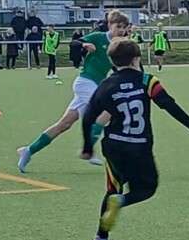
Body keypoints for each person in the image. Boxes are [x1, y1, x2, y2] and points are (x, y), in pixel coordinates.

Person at [80, 38, 189, 240]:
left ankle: (100, 238)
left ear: (113, 61)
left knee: (113, 188)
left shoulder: (106, 85)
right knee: (147, 189)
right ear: (136, 59)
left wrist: (87, 146)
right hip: (139, 147)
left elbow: (88, 117)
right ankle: (121, 202)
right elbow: (169, 106)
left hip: (113, 146)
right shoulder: (148, 81)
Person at [17, 10, 131, 173]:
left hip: (95, 86)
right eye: (118, 26)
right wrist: (84, 45)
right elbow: (74, 43)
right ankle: (89, 148)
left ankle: (28, 150)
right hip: (85, 82)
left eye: (124, 27)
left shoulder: (119, 46)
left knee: (64, 124)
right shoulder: (98, 37)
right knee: (108, 109)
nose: (121, 30)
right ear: (109, 25)